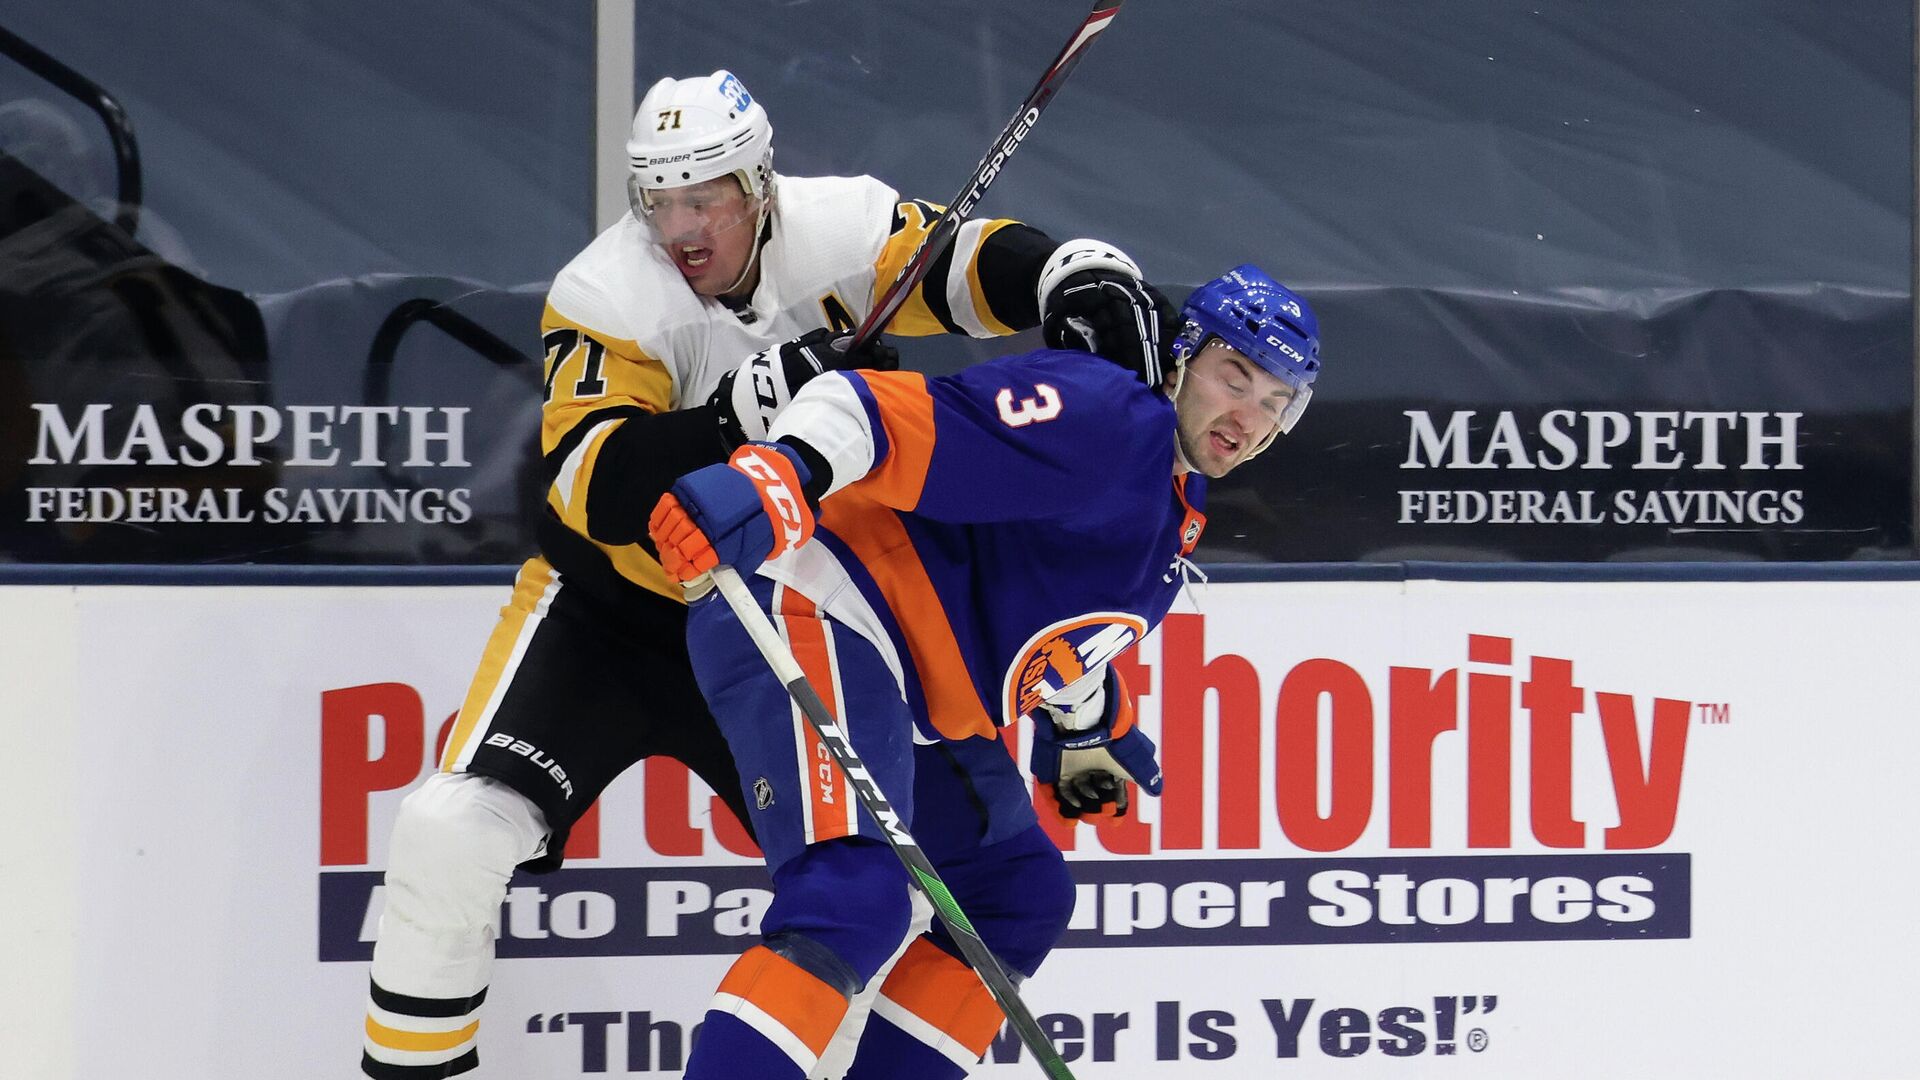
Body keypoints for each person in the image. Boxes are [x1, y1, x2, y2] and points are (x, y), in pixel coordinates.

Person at [359, 68, 1172, 1079]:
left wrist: (1071, 274)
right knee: (451, 831)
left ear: (760, 186)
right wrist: (735, 410)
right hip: (614, 615)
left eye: (705, 198)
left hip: (787, 614)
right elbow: (589, 485)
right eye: (658, 201)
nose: (680, 227)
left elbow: (965, 264)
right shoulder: (607, 292)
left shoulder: (840, 226)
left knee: (903, 894)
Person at [647, 264, 1323, 1078]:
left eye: (1278, 402)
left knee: (1014, 896)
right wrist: (777, 475)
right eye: (1235, 377)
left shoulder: (1175, 511)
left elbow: (1060, 633)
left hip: (906, 684)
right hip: (816, 603)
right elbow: (864, 408)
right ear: (1180, 358)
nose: (1248, 416)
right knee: (853, 899)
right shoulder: (1106, 413)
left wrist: (1084, 729)